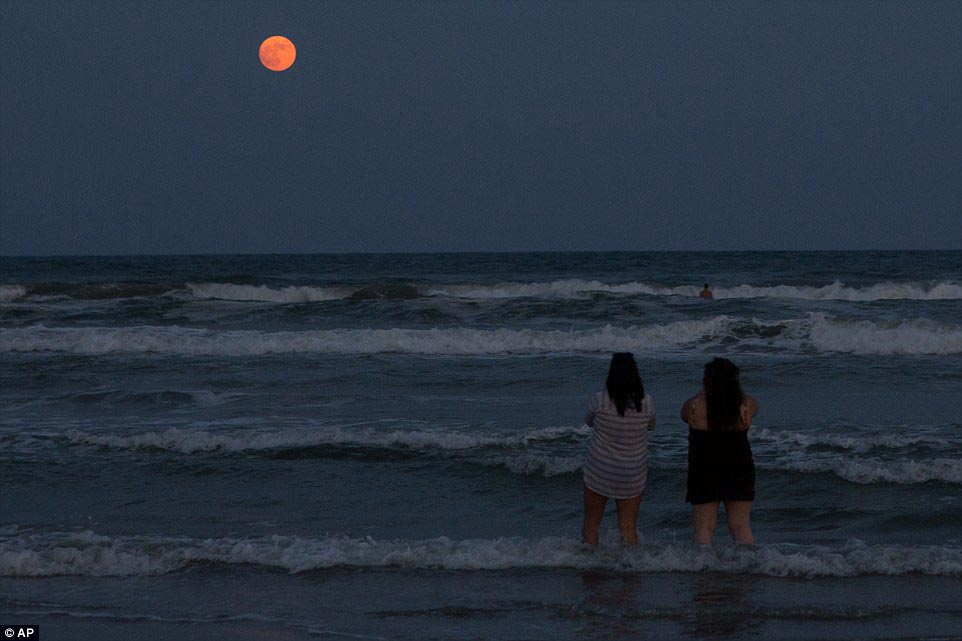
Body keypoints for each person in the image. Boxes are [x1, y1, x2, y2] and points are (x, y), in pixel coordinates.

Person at [680, 357, 758, 545]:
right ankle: (748, 567)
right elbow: (753, 407)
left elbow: (683, 415)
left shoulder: (694, 406)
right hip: (739, 467)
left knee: (703, 526)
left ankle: (702, 568)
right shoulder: (745, 406)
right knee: (740, 526)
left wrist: (704, 391)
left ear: (706, 381)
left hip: (704, 468)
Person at [582, 352, 656, 545]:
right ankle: (629, 569)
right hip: (632, 471)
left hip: (600, 468)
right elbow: (651, 426)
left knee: (591, 523)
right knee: (628, 526)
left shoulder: (599, 400)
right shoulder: (646, 402)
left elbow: (588, 422)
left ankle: (589, 566)